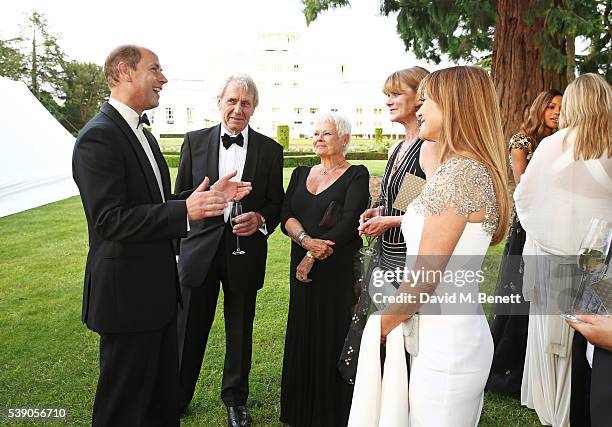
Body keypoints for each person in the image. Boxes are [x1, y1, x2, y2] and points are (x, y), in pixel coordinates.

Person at [72, 45, 251, 427]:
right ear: (124, 71)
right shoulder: (98, 137)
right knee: (122, 407)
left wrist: (202, 198)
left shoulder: (145, 136)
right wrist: (183, 210)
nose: (164, 78)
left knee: (159, 403)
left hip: (158, 295)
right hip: (126, 298)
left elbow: (155, 205)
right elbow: (110, 220)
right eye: (156, 69)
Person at [350, 66, 510, 426]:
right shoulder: (438, 159)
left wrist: (383, 324)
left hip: (448, 342)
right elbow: (414, 206)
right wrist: (386, 211)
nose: (417, 110)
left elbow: (425, 277)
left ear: (454, 106)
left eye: (425, 101)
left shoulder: (459, 172)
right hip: (441, 332)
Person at [174, 74, 284, 426]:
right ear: (219, 102)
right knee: (189, 329)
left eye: (246, 102)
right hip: (199, 252)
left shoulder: (270, 150)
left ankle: (236, 401)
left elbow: (276, 202)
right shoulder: (193, 142)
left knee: (240, 330)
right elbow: (178, 199)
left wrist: (260, 219)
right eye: (232, 101)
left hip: (244, 252)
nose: (239, 108)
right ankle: (176, 397)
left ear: (254, 107)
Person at [515, 73, 611, 427]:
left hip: (553, 255)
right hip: (599, 260)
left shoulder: (553, 145)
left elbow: (524, 197)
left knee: (551, 335)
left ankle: (553, 406)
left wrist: (549, 233)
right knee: (594, 334)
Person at [280, 112, 370, 426]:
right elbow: (286, 213)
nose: (318, 138)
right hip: (301, 267)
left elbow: (349, 225)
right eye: (316, 133)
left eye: (327, 134)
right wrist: (305, 242)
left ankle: (331, 412)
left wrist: (314, 254)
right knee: (302, 331)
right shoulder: (300, 172)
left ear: (344, 140)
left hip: (335, 269)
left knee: (333, 333)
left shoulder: (356, 174)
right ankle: (299, 409)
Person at [487, 89, 563, 396]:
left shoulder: (566, 141)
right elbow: (523, 183)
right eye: (551, 106)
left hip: (558, 223)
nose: (556, 111)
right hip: (528, 223)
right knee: (519, 290)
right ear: (540, 108)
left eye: (561, 107)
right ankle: (510, 362)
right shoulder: (522, 141)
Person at [358, 66, 436, 273]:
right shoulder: (397, 148)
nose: (388, 101)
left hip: (412, 256)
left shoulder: (430, 147)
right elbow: (404, 203)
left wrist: (388, 221)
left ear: (420, 96)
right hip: (387, 252)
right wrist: (380, 211)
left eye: (396, 94)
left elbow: (436, 213)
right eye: (387, 95)